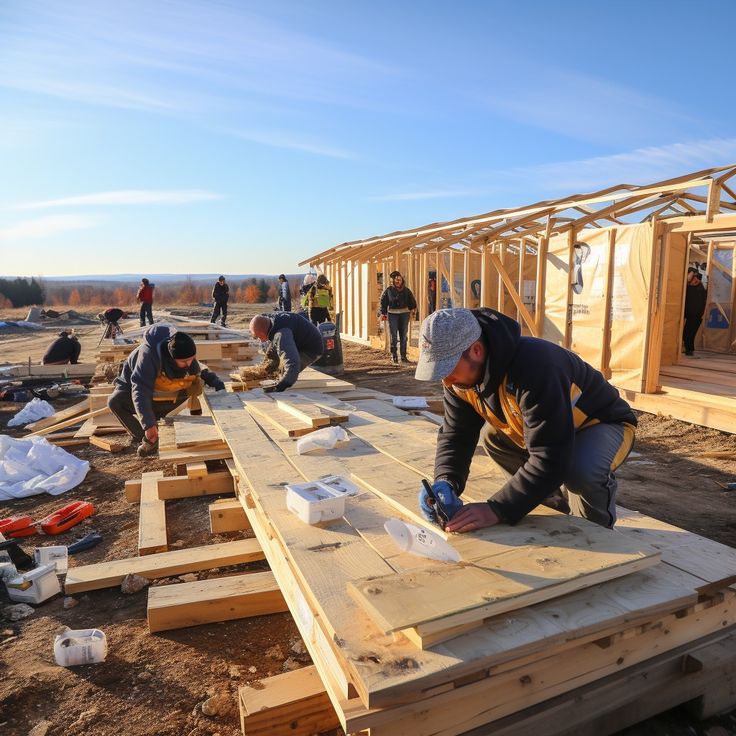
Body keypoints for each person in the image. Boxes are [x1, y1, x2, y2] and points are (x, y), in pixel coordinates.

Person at [414, 308, 637, 533]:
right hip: (553, 430)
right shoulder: (458, 381)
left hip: (601, 424)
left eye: (448, 367)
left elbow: (551, 458)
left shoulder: (536, 367)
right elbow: (456, 435)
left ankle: (595, 534)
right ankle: (551, 513)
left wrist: (498, 508)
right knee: (492, 437)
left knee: (580, 471)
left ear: (477, 350)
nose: (446, 380)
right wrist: (446, 480)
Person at [108, 325, 225, 457]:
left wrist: (215, 382)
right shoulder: (147, 357)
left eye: (191, 359)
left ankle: (156, 421)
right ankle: (147, 438)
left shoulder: (183, 351)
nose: (189, 363)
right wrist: (148, 425)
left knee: (194, 384)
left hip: (161, 394)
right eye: (184, 361)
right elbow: (140, 391)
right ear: (172, 357)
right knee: (114, 402)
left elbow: (198, 370)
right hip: (135, 389)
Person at [249, 313, 323, 393]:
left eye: (257, 337)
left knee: (282, 369)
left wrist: (281, 386)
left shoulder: (282, 334)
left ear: (262, 333)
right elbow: (274, 347)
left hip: (310, 348)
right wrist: (267, 367)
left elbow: (292, 363)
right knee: (274, 364)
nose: (258, 340)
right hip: (297, 341)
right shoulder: (270, 321)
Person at [380, 270, 417, 364]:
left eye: (399, 280)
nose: (398, 282)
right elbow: (383, 303)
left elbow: (412, 302)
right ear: (393, 281)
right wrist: (383, 313)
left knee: (403, 336)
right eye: (396, 280)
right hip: (392, 315)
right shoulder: (388, 291)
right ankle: (394, 356)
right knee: (394, 336)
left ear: (402, 280)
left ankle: (403, 357)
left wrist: (413, 310)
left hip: (404, 314)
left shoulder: (406, 290)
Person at [683, 267, 707, 356]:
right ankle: (689, 349)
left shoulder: (699, 287)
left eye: (696, 278)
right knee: (687, 333)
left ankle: (689, 349)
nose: (696, 280)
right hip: (690, 314)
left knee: (690, 333)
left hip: (696, 315)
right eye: (694, 278)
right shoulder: (687, 287)